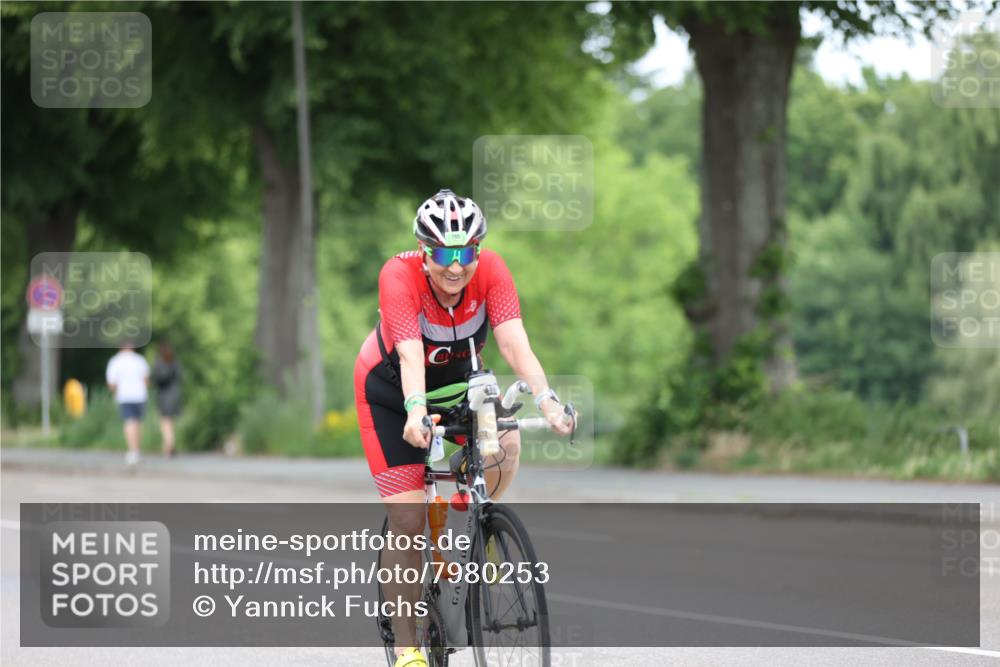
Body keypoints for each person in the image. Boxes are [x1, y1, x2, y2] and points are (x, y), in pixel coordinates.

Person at [353, 189, 574, 667]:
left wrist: (546, 398)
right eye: (443, 254)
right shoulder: (398, 275)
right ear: (423, 250)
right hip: (391, 395)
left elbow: (514, 342)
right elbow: (410, 352)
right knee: (408, 522)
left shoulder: (492, 270)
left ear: (479, 249)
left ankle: (479, 523)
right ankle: (408, 648)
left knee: (507, 443)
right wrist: (415, 411)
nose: (456, 267)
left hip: (457, 388)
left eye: (466, 252)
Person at [105, 341, 150, 466]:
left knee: (129, 422)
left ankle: (132, 451)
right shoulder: (139, 360)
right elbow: (146, 379)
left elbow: (112, 383)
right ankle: (136, 450)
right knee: (138, 423)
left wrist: (115, 393)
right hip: (140, 395)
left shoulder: (115, 361)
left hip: (125, 395)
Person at [151, 341, 182, 458]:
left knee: (165, 423)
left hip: (165, 396)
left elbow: (158, 380)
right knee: (170, 423)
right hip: (175, 395)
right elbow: (180, 378)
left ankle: (169, 444)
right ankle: (168, 446)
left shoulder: (159, 363)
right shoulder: (175, 363)